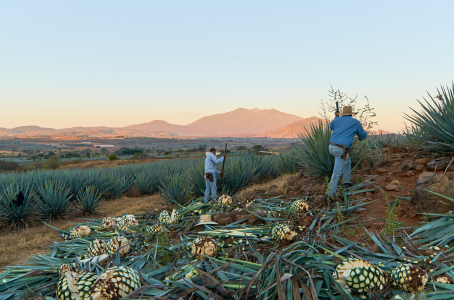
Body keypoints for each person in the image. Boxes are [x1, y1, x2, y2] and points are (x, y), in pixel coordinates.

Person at [322, 106, 368, 206]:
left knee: (348, 162)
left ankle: (346, 182)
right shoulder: (355, 122)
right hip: (340, 149)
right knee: (337, 173)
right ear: (351, 114)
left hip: (331, 147)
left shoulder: (337, 120)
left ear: (342, 114)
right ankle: (328, 196)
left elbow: (331, 127)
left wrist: (336, 117)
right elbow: (363, 136)